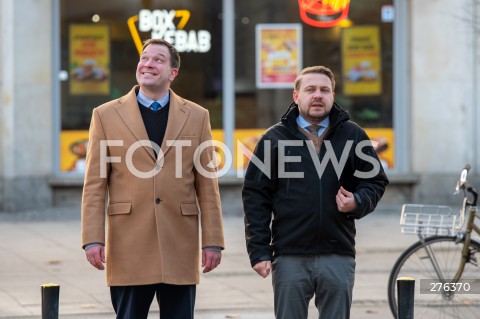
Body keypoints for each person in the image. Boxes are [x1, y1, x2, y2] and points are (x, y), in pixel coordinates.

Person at [81, 38, 225, 319]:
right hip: (128, 242)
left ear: (173, 73)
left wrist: (213, 241)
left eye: (158, 59)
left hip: (179, 242)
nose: (148, 64)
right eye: (144, 58)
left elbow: (207, 186)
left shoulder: (197, 116)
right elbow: (95, 185)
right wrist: (92, 238)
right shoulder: (105, 115)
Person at [242, 65, 389, 319]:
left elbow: (375, 180)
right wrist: (259, 250)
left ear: (333, 96)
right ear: (296, 96)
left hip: (338, 253)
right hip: (289, 255)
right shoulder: (274, 139)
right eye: (310, 89)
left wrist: (358, 201)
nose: (318, 95)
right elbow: (256, 196)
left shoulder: (353, 135)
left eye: (325, 90)